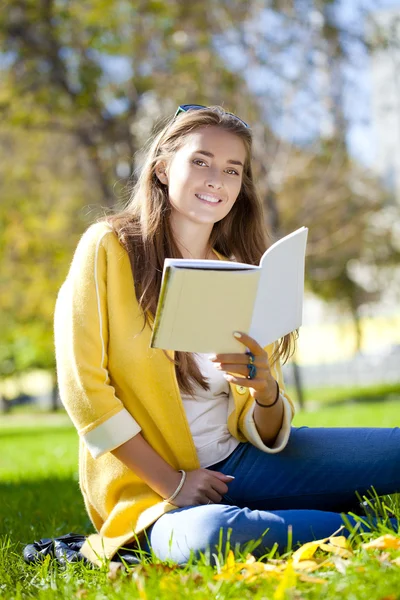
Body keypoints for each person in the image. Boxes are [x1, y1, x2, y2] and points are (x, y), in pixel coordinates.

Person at [54, 104, 399, 567]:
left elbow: (262, 424)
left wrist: (267, 392)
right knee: (210, 535)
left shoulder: (236, 274)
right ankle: (363, 526)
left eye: (232, 169)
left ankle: (310, 516)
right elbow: (85, 392)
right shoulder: (108, 248)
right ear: (161, 169)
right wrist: (173, 483)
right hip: (154, 495)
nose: (217, 178)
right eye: (200, 161)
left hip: (242, 461)